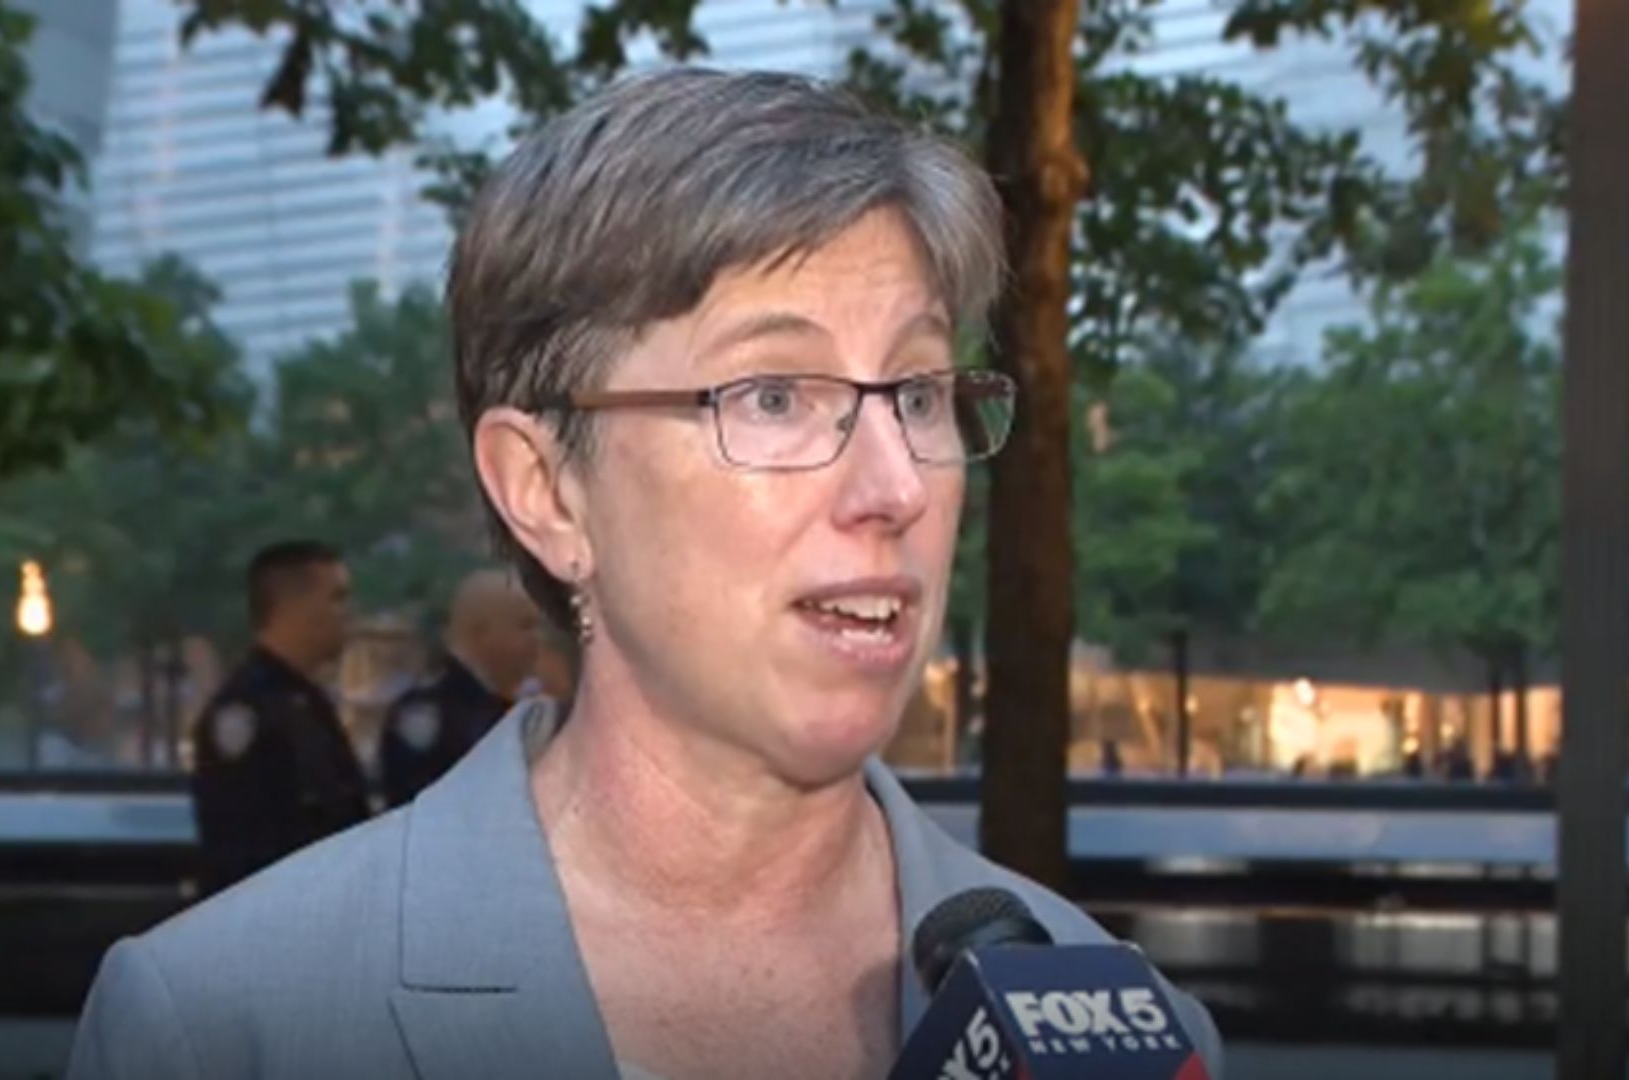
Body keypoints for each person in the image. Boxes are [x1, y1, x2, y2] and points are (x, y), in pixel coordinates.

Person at [68, 69, 1224, 1079]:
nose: (898, 486)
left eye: (918, 394)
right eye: (773, 396)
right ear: (547, 490)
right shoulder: (226, 1028)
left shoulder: (1124, 1023)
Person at [188, 540, 368, 895]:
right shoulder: (248, 713)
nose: (349, 613)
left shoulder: (307, 703)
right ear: (295, 607)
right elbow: (246, 849)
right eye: (337, 597)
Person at [377, 569, 551, 807]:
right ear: (480, 632)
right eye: (525, 626)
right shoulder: (433, 716)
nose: (537, 639)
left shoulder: (518, 708)